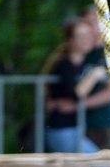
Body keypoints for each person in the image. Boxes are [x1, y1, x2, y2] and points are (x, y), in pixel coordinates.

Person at [43, 17, 103, 153]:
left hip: (75, 130)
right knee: (101, 166)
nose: (86, 39)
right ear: (70, 40)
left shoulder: (83, 63)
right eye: (81, 36)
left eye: (88, 35)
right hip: (62, 131)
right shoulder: (64, 65)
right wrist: (94, 75)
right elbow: (77, 93)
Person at [79, 6, 110, 150]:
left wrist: (76, 106)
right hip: (83, 123)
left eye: (93, 22)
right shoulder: (84, 52)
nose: (89, 28)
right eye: (86, 23)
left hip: (106, 123)